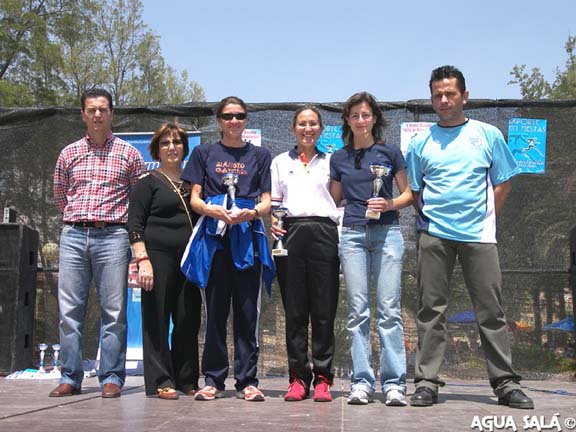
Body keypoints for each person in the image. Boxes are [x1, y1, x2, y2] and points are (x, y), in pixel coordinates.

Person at [405, 65, 534, 409]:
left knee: (491, 311)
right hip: (434, 236)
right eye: (437, 95)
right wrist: (431, 223)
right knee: (431, 311)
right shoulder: (420, 143)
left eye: (450, 93)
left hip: (480, 237)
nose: (443, 100)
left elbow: (503, 181)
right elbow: (415, 191)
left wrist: (486, 220)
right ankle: (427, 382)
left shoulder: (488, 134)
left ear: (464, 96)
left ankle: (505, 383)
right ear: (431, 99)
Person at [50, 88, 146, 398]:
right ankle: (69, 376)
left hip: (114, 237)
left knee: (114, 312)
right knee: (69, 311)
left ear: (111, 113)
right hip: (74, 235)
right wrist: (79, 220)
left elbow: (139, 200)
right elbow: (61, 195)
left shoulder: (130, 154)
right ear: (82, 114)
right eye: (91, 109)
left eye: (103, 109)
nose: (97, 115)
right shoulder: (69, 153)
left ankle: (112, 377)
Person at [180, 96, 275, 402]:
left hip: (247, 238)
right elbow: (194, 198)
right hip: (215, 240)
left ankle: (247, 380)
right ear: (218, 120)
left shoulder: (260, 155)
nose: (234, 121)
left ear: (246, 120)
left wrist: (252, 213)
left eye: (240, 116)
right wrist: (213, 210)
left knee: (248, 313)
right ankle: (213, 379)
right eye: (228, 116)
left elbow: (266, 200)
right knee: (216, 312)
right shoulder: (203, 152)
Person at [330, 92, 412, 406]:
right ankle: (361, 382)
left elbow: (409, 195)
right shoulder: (339, 158)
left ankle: (394, 384)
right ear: (347, 120)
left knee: (389, 311)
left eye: (365, 115)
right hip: (351, 235)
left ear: (374, 118)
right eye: (354, 116)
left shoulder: (390, 152)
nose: (360, 120)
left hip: (387, 233)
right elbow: (333, 199)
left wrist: (389, 202)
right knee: (357, 312)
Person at [270, 106, 340, 402]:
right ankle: (298, 378)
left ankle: (323, 378)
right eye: (302, 124)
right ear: (293, 128)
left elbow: (339, 202)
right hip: (291, 234)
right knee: (295, 311)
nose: (307, 129)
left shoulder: (332, 162)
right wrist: (274, 223)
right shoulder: (278, 162)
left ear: (321, 130)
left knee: (324, 310)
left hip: (324, 233)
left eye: (313, 124)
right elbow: (275, 204)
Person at [127, 123, 201, 400]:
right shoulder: (148, 183)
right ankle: (161, 380)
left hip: (188, 261)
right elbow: (134, 223)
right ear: (156, 149)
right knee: (156, 319)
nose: (172, 147)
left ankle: (186, 378)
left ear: (185, 147)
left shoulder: (194, 184)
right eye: (165, 143)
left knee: (187, 318)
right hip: (156, 258)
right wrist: (142, 259)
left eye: (177, 142)